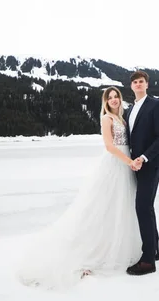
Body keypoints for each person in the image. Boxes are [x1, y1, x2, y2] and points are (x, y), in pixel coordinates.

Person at [16, 86, 142, 289]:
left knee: (121, 207)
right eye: (109, 98)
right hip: (116, 164)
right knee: (104, 207)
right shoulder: (107, 119)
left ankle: (117, 245)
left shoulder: (122, 119)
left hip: (126, 165)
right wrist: (129, 161)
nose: (113, 100)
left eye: (115, 96)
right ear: (106, 102)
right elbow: (109, 147)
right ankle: (95, 251)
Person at [124, 70, 159, 276]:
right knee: (146, 207)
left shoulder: (156, 105)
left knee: (142, 207)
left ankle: (148, 261)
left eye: (141, 81)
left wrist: (144, 157)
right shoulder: (130, 109)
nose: (138, 84)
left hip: (151, 163)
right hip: (135, 164)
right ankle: (155, 250)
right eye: (135, 82)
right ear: (131, 86)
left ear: (146, 85)